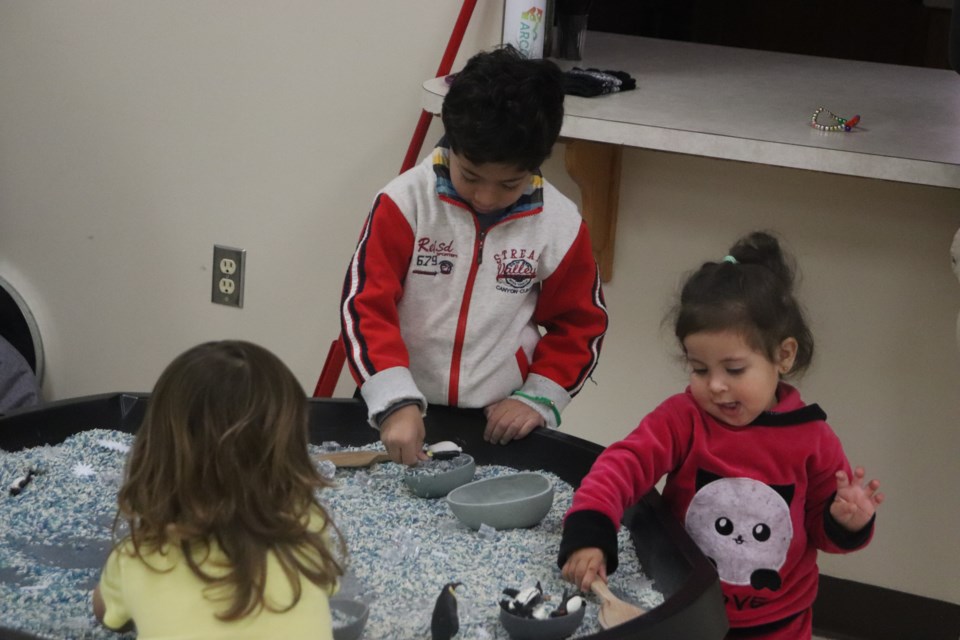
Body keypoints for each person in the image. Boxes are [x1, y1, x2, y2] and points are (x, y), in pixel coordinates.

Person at [558, 232, 884, 639]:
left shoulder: (813, 438)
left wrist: (845, 522)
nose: (714, 386)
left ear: (783, 356)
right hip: (688, 610)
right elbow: (621, 467)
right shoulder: (683, 418)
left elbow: (821, 534)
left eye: (733, 370)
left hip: (779, 623)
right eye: (699, 369)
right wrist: (590, 531)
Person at [340, 46, 608, 465]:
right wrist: (394, 399)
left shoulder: (560, 223)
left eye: (509, 184)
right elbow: (365, 305)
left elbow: (580, 324)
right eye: (470, 176)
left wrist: (537, 398)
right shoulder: (404, 202)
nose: (486, 197)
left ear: (536, 165)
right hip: (399, 408)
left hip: (496, 419)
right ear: (451, 147)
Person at [93, 340, 345, 639]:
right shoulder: (308, 529)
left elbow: (105, 613)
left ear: (155, 454)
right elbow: (326, 589)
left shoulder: (139, 556)